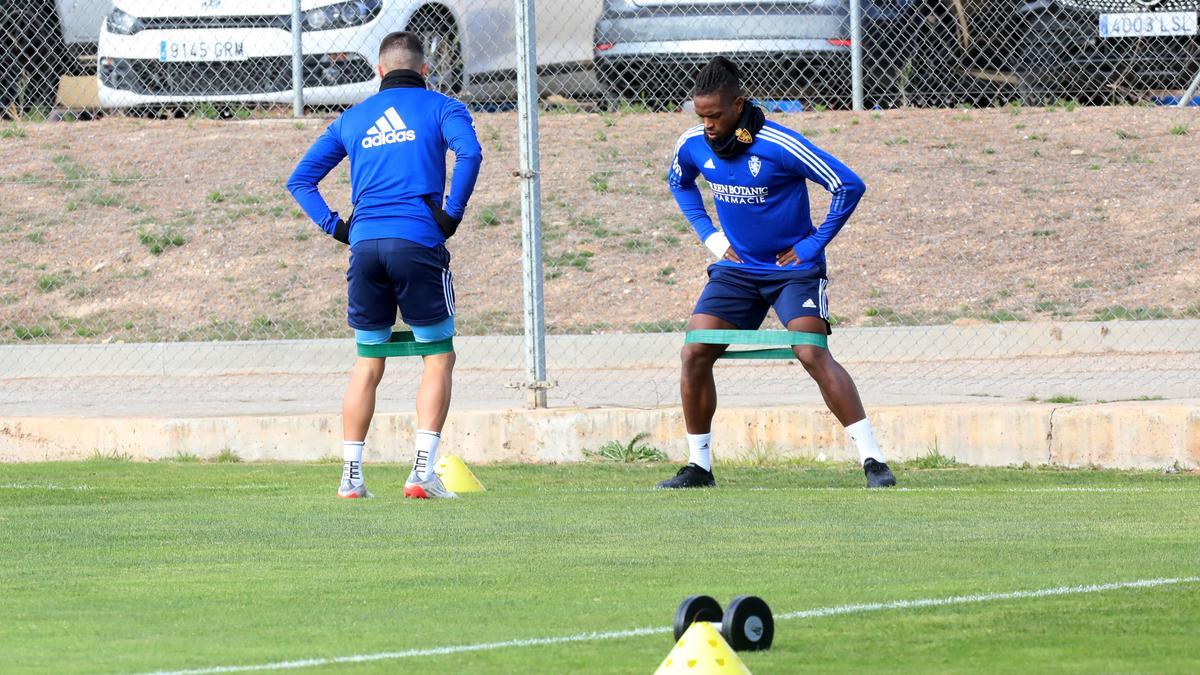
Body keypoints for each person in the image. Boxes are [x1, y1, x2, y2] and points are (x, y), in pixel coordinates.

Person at [661, 56, 896, 489]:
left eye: (714, 115)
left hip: (794, 272)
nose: (707, 124)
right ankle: (699, 467)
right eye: (700, 115)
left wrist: (811, 245)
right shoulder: (692, 143)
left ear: (738, 105)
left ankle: (873, 460)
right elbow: (679, 182)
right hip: (736, 271)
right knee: (695, 350)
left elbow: (849, 185)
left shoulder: (780, 144)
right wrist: (711, 238)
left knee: (809, 349)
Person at [287, 31, 482, 499]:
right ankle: (421, 473)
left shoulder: (352, 119)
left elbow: (300, 180)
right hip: (417, 242)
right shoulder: (443, 107)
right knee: (438, 354)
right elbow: (470, 153)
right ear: (425, 70)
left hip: (366, 248)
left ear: (379, 70)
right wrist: (451, 213)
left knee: (368, 360)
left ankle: (350, 478)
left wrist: (338, 227)